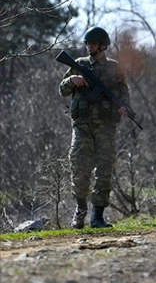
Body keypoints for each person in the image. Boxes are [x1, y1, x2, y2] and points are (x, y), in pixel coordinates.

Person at [59, 26, 131, 229]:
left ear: (103, 45)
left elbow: (123, 92)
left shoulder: (115, 68)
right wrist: (71, 80)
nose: (89, 46)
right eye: (87, 43)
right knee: (80, 168)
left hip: (107, 127)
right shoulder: (78, 64)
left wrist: (124, 107)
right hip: (82, 126)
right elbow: (62, 90)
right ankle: (80, 213)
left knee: (105, 170)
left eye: (93, 43)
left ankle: (97, 217)